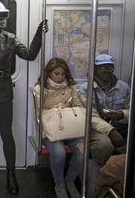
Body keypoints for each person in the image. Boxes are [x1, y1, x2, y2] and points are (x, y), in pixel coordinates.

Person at [0, 0, 48, 195]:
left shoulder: (10, 38)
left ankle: (11, 173)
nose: (3, 20)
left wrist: (39, 34)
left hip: (2, 90)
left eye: (5, 16)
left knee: (6, 133)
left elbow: (29, 54)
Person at [33, 58, 83, 198]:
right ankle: (59, 184)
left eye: (63, 74)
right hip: (51, 130)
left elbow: (78, 106)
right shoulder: (40, 89)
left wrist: (69, 108)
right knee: (59, 152)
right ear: (49, 74)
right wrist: (55, 109)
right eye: (57, 74)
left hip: (71, 129)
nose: (60, 77)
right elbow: (38, 114)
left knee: (82, 150)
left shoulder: (71, 87)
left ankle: (70, 181)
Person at [79, 54, 130, 167]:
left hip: (119, 124)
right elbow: (89, 115)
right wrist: (111, 131)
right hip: (96, 127)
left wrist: (121, 114)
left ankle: (117, 169)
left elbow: (132, 110)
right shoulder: (85, 88)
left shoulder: (124, 87)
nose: (106, 70)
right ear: (95, 69)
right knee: (104, 145)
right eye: (101, 67)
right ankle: (100, 174)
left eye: (109, 67)